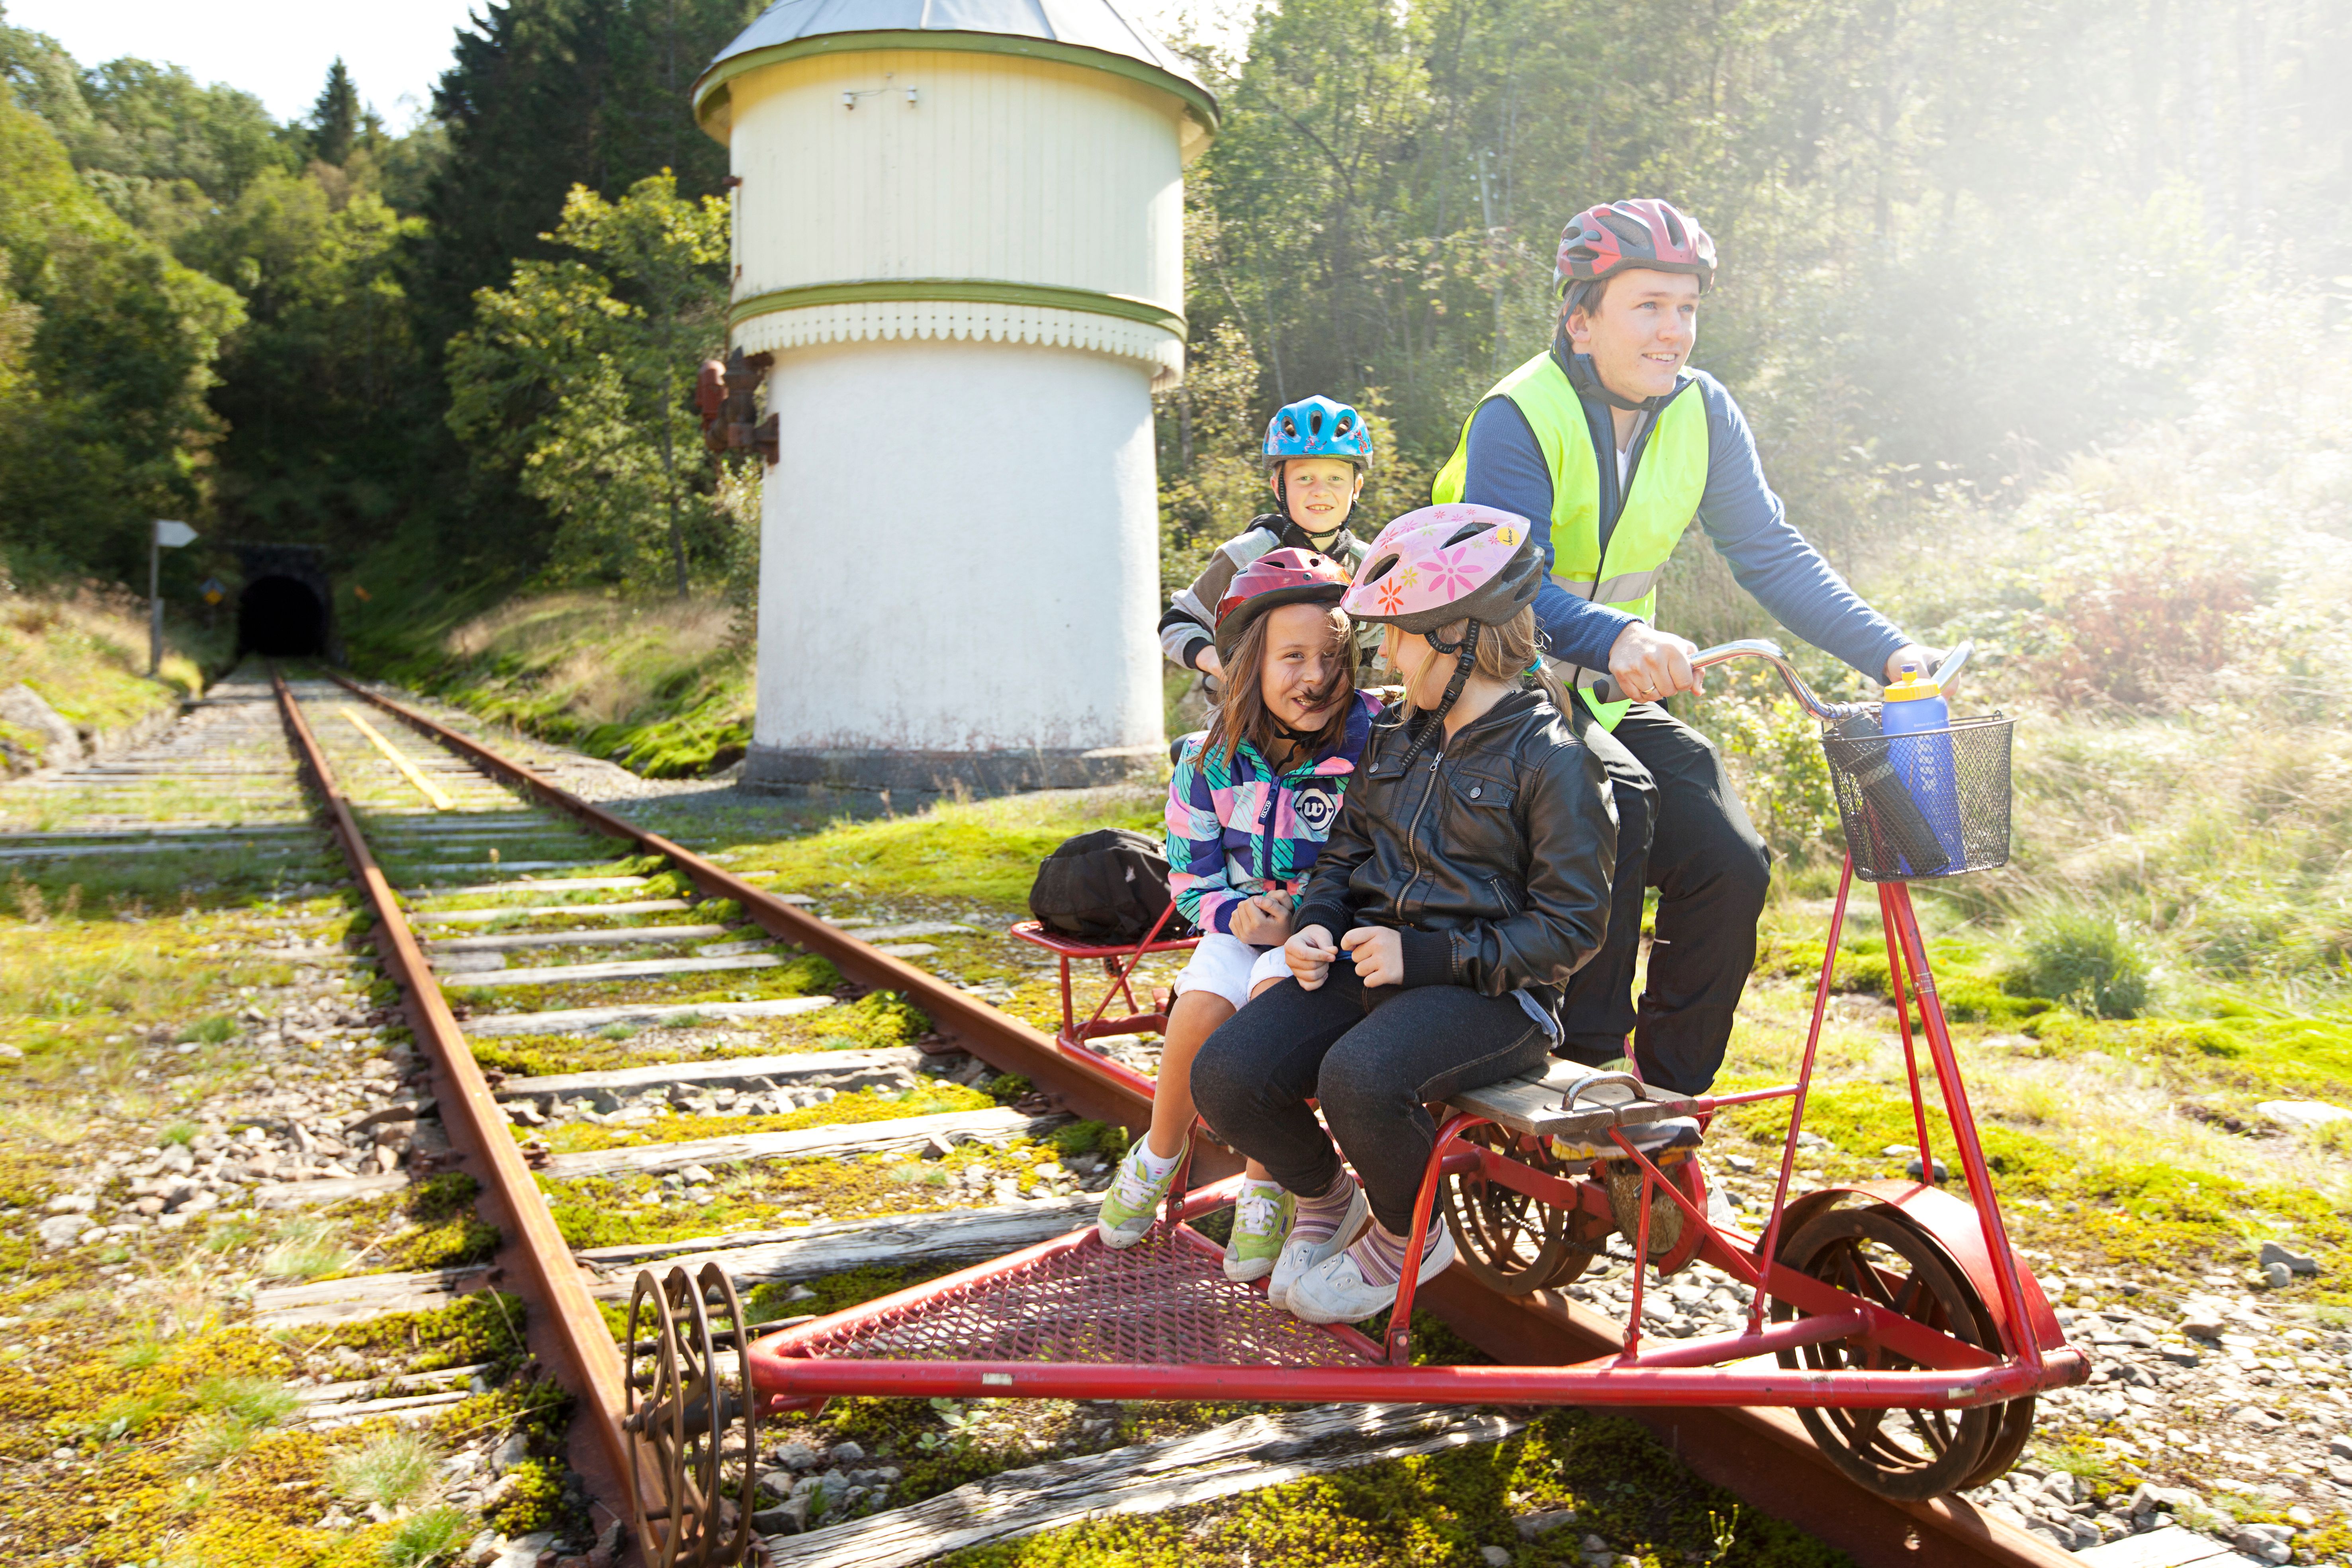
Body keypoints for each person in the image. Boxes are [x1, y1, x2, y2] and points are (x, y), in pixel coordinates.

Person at [1431, 198, 1941, 1096]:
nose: (1674, 332)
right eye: (1649, 307)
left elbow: (1770, 551)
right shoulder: (1519, 414)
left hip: (1606, 693)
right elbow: (1508, 582)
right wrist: (1619, 633)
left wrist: (1889, 652)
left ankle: (1668, 1097)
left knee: (1727, 856)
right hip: (1488, 686)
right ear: (1581, 322)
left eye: (1688, 309)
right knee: (1609, 811)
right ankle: (1576, 1073)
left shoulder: (1703, 410)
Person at [1189, 505, 1618, 1325]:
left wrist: (1424, 957)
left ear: (1457, 636)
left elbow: (1569, 931)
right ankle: (1327, 1196)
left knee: (1361, 1075)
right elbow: (1346, 853)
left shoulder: (1553, 762)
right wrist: (1316, 922)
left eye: (1397, 634)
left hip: (1492, 997)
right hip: (1369, 968)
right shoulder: (1396, 733)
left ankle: (1405, 1235)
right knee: (1227, 1075)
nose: (1381, 655)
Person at [1097, 548, 1385, 1283]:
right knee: (1200, 1003)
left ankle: (1266, 1182)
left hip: (1327, 942)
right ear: (1247, 664)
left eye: (1332, 655)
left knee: (1266, 1015)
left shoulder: (1374, 748)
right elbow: (1189, 881)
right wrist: (1239, 911)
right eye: (1292, 657)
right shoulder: (1207, 761)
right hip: (1243, 925)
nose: (1316, 676)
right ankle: (1160, 1151)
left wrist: (1312, 918)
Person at [1160, 395, 1383, 691]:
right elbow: (1178, 623)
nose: (1320, 491)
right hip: (1247, 718)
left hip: (1332, 714)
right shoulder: (1247, 553)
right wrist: (1218, 664)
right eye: (1304, 478)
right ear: (1279, 487)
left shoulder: (1367, 565)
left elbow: (1385, 648)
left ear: (1356, 489)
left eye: (1335, 478)